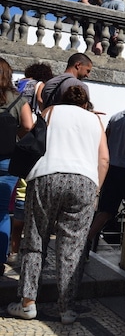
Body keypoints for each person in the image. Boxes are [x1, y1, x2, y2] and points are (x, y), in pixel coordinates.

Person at [7, 85, 109, 324]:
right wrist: (95, 190)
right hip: (84, 181)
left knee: (35, 240)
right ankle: (67, 310)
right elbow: (103, 159)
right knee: (72, 249)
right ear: (85, 104)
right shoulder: (95, 120)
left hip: (46, 176)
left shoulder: (50, 111)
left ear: (62, 99)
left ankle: (28, 303)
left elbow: (32, 136)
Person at [9, 63, 54, 265]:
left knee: (16, 195)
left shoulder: (18, 84)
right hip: (30, 143)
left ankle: (13, 248)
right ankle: (26, 252)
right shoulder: (40, 86)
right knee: (28, 198)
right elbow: (41, 108)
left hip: (13, 142)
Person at [87, 91, 125, 251]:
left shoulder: (116, 116)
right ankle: (90, 238)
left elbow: (106, 137)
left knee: (106, 209)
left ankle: (89, 237)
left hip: (111, 166)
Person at [0, 58, 33, 272]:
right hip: (6, 160)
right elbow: (29, 126)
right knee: (2, 212)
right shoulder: (18, 99)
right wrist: (14, 136)